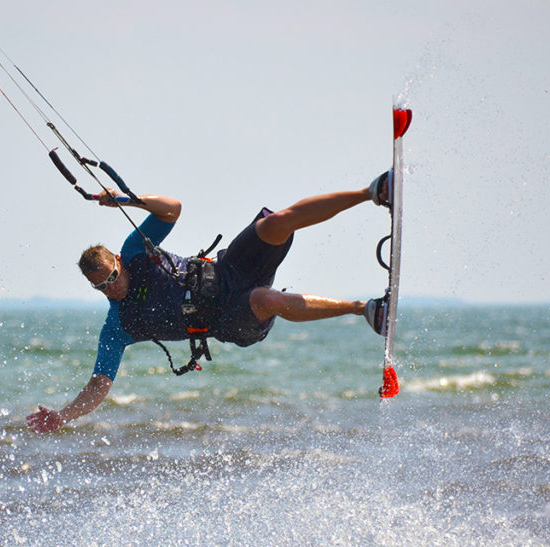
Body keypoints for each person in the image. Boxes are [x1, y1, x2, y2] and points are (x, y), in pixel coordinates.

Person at [26, 171, 392, 434]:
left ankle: (372, 192)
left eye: (110, 277)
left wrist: (124, 200)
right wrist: (63, 415)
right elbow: (98, 385)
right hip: (227, 319)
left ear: (117, 263)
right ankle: (366, 309)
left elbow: (172, 208)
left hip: (226, 270)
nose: (110, 288)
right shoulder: (119, 325)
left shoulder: (135, 250)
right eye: (100, 287)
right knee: (266, 299)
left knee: (276, 223)